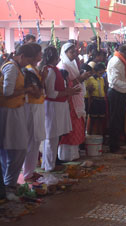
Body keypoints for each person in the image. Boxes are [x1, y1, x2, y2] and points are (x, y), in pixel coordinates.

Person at [0, 44, 38, 197]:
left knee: (9, 148)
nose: (28, 63)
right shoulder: (11, 68)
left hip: (14, 110)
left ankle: (7, 182)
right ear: (21, 56)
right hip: (9, 111)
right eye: (28, 59)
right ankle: (8, 183)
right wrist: (27, 90)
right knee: (18, 148)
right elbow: (7, 91)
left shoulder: (16, 67)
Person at [41, 46, 80, 172]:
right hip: (53, 106)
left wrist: (68, 92)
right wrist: (67, 92)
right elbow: (51, 93)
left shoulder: (53, 69)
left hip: (58, 106)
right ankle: (49, 166)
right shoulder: (50, 71)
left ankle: (48, 164)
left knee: (54, 137)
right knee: (51, 137)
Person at [57, 43, 91, 161]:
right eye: (72, 52)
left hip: (76, 100)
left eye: (75, 52)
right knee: (70, 129)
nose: (75, 54)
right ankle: (65, 156)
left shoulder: (72, 64)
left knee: (77, 127)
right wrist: (81, 78)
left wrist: (82, 78)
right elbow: (65, 85)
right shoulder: (62, 65)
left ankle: (74, 154)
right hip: (69, 102)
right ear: (64, 53)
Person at [22, 43, 47, 181]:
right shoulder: (29, 70)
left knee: (35, 140)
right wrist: (43, 78)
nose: (41, 55)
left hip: (36, 106)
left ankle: (30, 171)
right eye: (39, 53)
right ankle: (27, 173)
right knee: (32, 139)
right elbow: (37, 93)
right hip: (31, 106)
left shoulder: (34, 69)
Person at [85, 63, 107, 135]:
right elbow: (86, 89)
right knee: (93, 119)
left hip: (102, 100)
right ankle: (90, 134)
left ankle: (99, 135)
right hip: (94, 100)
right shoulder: (90, 79)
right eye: (100, 71)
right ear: (96, 71)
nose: (102, 73)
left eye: (103, 72)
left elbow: (104, 88)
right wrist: (90, 89)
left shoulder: (102, 79)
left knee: (101, 119)